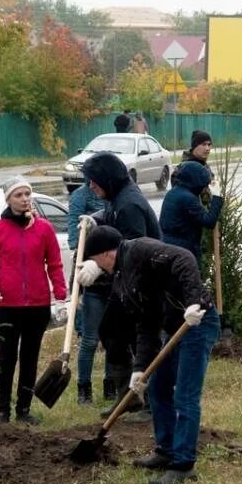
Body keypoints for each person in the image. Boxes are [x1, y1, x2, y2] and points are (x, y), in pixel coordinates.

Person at [77, 227, 219, 484]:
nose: (98, 267)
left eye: (96, 261)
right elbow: (145, 323)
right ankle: (165, 450)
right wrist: (139, 369)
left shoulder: (141, 250)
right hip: (174, 325)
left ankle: (183, 465)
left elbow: (184, 258)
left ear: (107, 253)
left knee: (185, 395)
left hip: (197, 321)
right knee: (158, 388)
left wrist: (193, 301)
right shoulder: (122, 277)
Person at [0, 178, 68, 425]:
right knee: (6, 359)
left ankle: (23, 409)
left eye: (27, 193)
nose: (25, 198)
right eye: (18, 195)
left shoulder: (44, 228)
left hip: (37, 306)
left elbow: (55, 264)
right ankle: (2, 411)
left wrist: (60, 296)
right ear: (8, 199)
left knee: (30, 358)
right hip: (7, 306)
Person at [82, 151, 161, 410]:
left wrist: (97, 264)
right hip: (128, 281)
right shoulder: (118, 197)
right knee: (111, 330)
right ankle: (126, 397)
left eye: (94, 180)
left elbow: (135, 248)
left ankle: (147, 401)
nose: (91, 186)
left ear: (107, 177)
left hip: (143, 282)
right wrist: (95, 218)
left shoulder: (129, 204)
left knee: (140, 340)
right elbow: (111, 215)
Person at [67, 178, 105, 405]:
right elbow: (75, 240)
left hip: (111, 276)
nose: (94, 185)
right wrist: (76, 289)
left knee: (113, 340)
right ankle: (84, 390)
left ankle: (111, 386)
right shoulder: (80, 197)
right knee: (90, 339)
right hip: (91, 276)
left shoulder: (115, 198)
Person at [159, 161, 223, 267]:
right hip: (183, 251)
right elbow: (209, 221)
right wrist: (217, 197)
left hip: (168, 247)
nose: (205, 187)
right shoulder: (187, 198)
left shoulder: (173, 192)